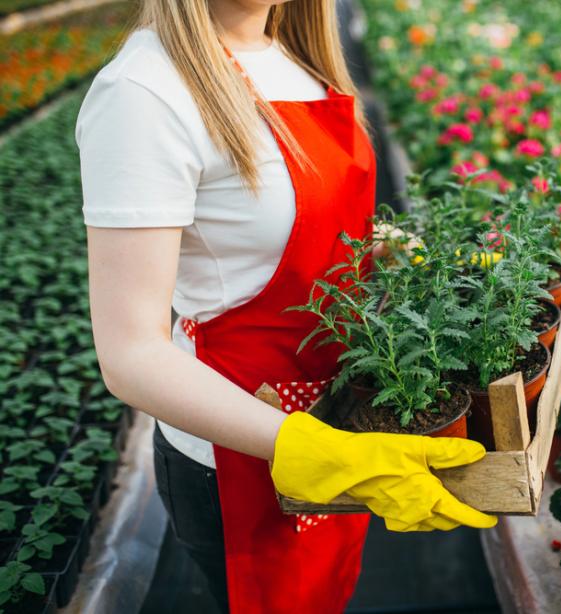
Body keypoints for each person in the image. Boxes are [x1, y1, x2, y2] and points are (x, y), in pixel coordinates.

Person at [75, 1, 497, 612]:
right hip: (244, 448)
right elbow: (130, 354)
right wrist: (306, 449)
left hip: (341, 414)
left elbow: (283, 231)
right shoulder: (144, 92)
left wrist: (390, 253)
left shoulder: (295, 57)